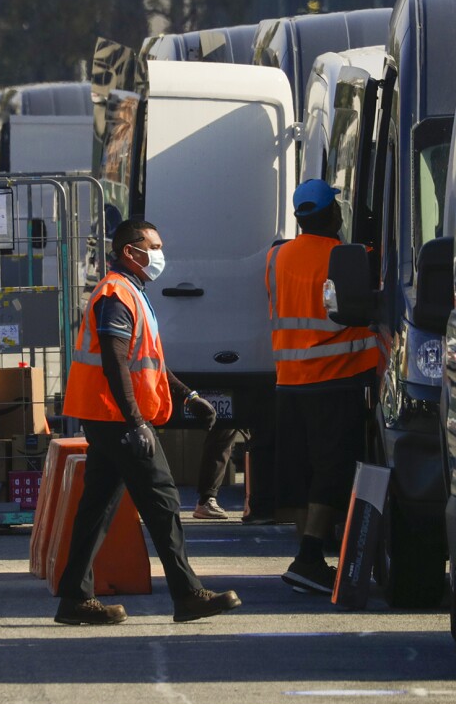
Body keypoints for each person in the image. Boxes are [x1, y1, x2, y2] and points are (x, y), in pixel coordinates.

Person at [55, 218, 243, 625]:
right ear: (130, 251)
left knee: (98, 509)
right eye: (153, 247)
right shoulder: (116, 294)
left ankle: (74, 599)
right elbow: (115, 361)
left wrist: (188, 395)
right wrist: (137, 421)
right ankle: (188, 594)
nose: (159, 255)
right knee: (162, 502)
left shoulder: (131, 292)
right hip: (119, 418)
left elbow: (149, 361)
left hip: (108, 416)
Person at [267, 179, 379, 594]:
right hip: (335, 378)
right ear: (333, 214)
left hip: (289, 381)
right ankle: (310, 556)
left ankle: (307, 555)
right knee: (331, 470)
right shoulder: (348, 256)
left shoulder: (276, 258)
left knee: (302, 469)